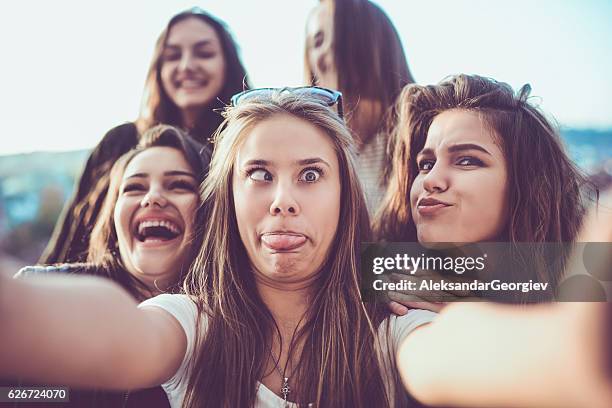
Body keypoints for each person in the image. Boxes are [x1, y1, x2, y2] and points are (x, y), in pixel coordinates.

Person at [0, 91, 435, 408]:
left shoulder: (387, 328)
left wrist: (447, 279)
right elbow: (120, 334)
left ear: (345, 197)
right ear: (229, 199)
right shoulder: (193, 325)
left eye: (310, 175)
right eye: (260, 174)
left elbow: (465, 353)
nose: (283, 198)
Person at [12, 125, 210, 407]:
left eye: (179, 184)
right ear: (113, 217)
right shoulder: (41, 291)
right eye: (134, 188)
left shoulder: (233, 326)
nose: (152, 197)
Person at [40, 8, 250, 264]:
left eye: (204, 54)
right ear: (158, 69)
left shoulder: (245, 149)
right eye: (172, 56)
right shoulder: (119, 142)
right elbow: (68, 241)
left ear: (228, 65)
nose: (186, 66)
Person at [374, 74, 592, 309]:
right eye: (426, 164)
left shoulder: (585, 297)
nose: (431, 180)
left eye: (466, 160)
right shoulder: (387, 294)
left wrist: (465, 312)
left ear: (526, 183)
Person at [304, 0, 415, 214]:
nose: (329, 48)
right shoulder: (310, 140)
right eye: (318, 41)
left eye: (341, 31)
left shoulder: (420, 128)